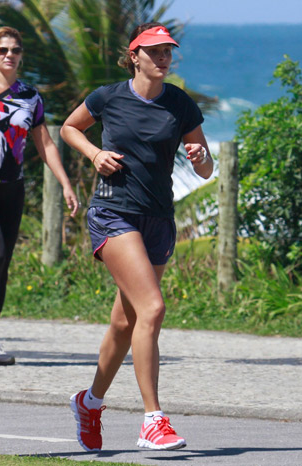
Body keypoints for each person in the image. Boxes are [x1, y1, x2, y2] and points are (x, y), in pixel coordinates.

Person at [60, 23, 213, 452]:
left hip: (158, 220)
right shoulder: (109, 96)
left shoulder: (180, 103)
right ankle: (153, 420)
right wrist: (95, 153)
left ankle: (89, 402)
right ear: (135, 57)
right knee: (153, 308)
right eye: (154, 51)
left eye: (168, 52)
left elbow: (205, 168)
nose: (163, 58)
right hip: (113, 213)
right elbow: (70, 128)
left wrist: (202, 157)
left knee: (126, 322)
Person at [0, 27, 79, 366]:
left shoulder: (30, 96)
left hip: (13, 188)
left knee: (5, 263)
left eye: (15, 50)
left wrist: (66, 183)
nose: (9, 55)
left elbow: (45, 143)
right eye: (3, 50)